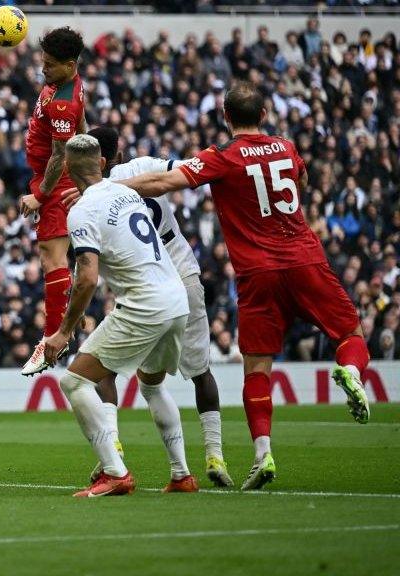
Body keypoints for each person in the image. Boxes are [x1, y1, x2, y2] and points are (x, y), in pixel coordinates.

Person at [117, 81, 371, 491]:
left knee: (256, 366)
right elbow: (301, 185)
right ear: (265, 116)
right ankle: (351, 370)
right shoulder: (288, 148)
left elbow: (164, 184)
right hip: (306, 259)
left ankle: (262, 453)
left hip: (257, 272)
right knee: (350, 334)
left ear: (225, 116)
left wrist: (110, 188)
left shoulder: (222, 157)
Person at [70, 126, 233, 487]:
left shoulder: (92, 195)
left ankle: (112, 452)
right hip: (178, 278)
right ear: (116, 153)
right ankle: (209, 456)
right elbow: (180, 172)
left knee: (99, 371)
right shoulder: (142, 166)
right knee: (194, 372)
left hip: (145, 285)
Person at [42, 134, 195, 497]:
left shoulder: (81, 210)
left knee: (73, 382)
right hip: (175, 298)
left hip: (145, 304)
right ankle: (181, 475)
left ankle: (115, 472)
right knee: (152, 385)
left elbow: (89, 276)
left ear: (66, 169)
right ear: (102, 164)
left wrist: (63, 331)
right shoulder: (127, 192)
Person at [17, 27, 88, 376]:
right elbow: (83, 130)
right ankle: (69, 313)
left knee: (51, 257)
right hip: (50, 177)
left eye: (49, 64)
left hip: (55, 183)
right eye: (42, 61)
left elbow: (61, 154)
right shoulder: (64, 85)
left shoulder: (63, 101)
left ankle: (53, 338)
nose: (43, 69)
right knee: (53, 256)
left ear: (70, 64)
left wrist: (40, 196)